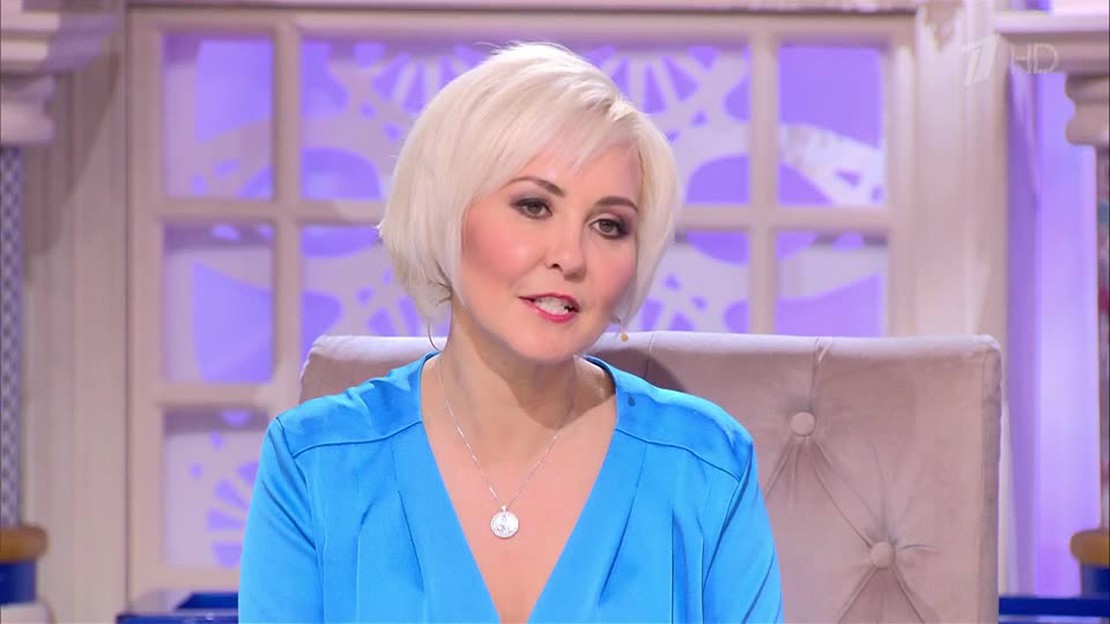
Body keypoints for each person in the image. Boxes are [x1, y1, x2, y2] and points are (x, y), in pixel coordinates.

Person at [239, 42, 782, 623]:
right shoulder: (313, 464)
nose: (571, 256)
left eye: (608, 225)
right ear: (448, 213)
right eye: (534, 206)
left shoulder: (707, 467)